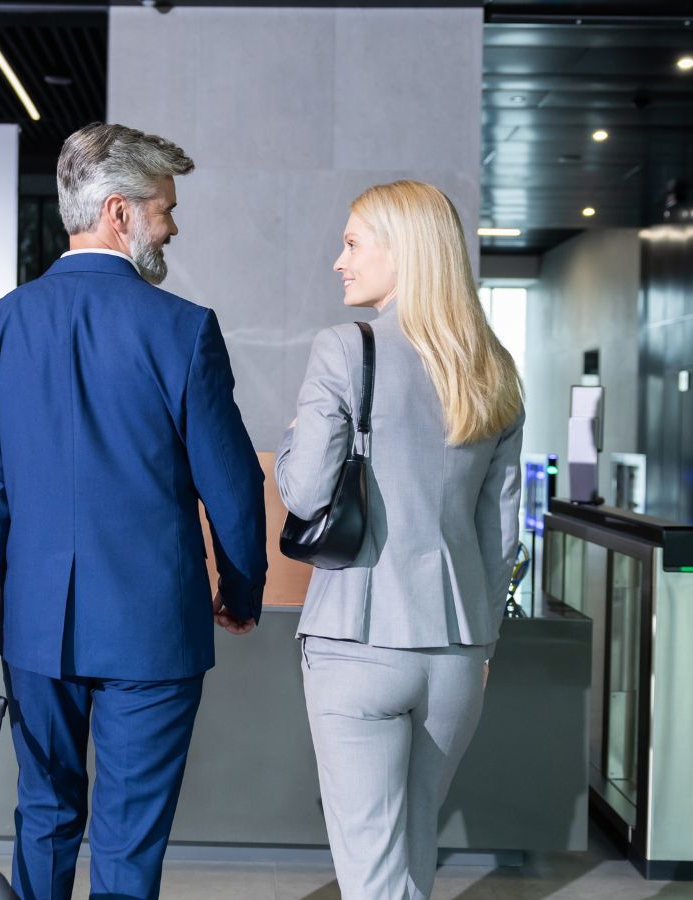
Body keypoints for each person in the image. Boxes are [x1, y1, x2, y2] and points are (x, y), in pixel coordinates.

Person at [0, 122, 267, 900]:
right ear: (119, 211)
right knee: (127, 840)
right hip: (153, 631)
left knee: (45, 815)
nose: (173, 225)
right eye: (165, 208)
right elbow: (232, 483)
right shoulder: (182, 329)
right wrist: (241, 590)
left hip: (37, 632)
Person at [276, 180, 524, 900]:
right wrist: (481, 644)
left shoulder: (344, 349)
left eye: (353, 242)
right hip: (454, 651)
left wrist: (296, 442)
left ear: (402, 251)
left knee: (375, 876)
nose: (338, 261)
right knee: (413, 851)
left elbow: (305, 493)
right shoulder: (492, 366)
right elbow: (498, 531)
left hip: (355, 639)